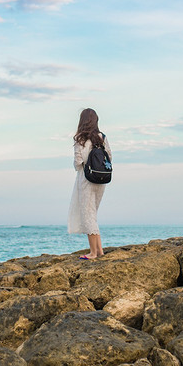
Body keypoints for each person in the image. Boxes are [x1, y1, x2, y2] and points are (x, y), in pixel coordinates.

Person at [68, 108, 111, 259]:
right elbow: (109, 157)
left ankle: (93, 253)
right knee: (93, 215)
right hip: (101, 179)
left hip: (86, 179)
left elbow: (77, 162)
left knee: (88, 215)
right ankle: (99, 250)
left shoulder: (80, 138)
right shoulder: (102, 137)